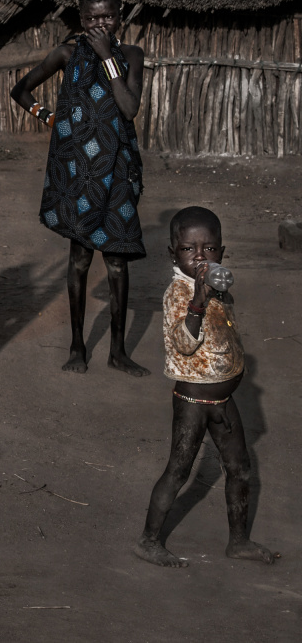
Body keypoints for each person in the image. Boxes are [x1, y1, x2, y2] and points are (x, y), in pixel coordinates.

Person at [10, 0, 149, 376]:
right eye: (91, 17)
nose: (98, 24)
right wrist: (50, 118)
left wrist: (107, 58)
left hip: (117, 171)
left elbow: (128, 107)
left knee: (118, 263)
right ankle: (76, 347)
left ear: (120, 16)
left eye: (106, 16)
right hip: (79, 175)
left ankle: (118, 352)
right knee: (80, 259)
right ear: (80, 18)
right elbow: (19, 90)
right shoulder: (66, 54)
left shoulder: (133, 56)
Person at [134, 206, 275, 568]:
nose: (199, 257)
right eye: (188, 249)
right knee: (178, 471)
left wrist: (215, 294)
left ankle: (238, 541)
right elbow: (183, 344)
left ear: (222, 252)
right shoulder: (177, 295)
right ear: (173, 253)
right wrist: (198, 299)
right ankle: (148, 541)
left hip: (223, 399)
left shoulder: (214, 287)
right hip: (193, 400)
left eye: (209, 249)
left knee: (240, 468)